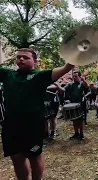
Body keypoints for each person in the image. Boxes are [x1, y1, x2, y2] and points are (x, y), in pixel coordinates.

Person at [0, 48, 74, 180]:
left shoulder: (40, 76)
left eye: (26, 57)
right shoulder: (7, 74)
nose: (21, 59)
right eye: (19, 57)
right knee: (16, 157)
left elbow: (65, 68)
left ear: (35, 61)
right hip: (10, 124)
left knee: (34, 157)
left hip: (32, 125)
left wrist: (76, 55)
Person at [55, 71, 89, 140]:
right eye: (73, 76)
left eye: (76, 76)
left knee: (81, 119)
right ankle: (76, 133)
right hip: (73, 103)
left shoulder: (81, 83)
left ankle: (81, 134)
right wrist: (57, 86)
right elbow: (63, 90)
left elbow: (86, 86)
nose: (74, 77)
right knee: (74, 119)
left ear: (79, 76)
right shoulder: (70, 84)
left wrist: (83, 80)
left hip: (81, 103)